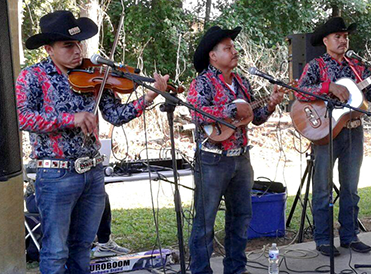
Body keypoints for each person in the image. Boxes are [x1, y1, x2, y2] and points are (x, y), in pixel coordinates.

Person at [16, 10, 168, 273]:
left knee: (83, 247)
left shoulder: (94, 74)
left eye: (78, 44)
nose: (77, 51)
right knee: (55, 251)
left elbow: (116, 116)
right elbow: (23, 118)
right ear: (49, 49)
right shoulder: (32, 76)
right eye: (68, 46)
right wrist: (69, 118)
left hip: (93, 173)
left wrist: (147, 99)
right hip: (56, 175)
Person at [187, 26, 284, 274]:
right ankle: (200, 270)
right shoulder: (202, 82)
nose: (234, 51)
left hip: (241, 158)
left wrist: (271, 105)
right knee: (205, 221)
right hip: (212, 159)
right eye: (228, 48)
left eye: (233, 47)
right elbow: (197, 113)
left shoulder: (242, 82)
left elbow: (254, 117)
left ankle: (236, 268)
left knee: (241, 217)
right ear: (213, 55)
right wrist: (231, 110)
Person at [296, 17, 371, 256]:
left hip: (354, 130)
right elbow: (300, 90)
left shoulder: (357, 66)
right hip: (325, 132)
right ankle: (323, 240)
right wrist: (327, 87)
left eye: (345, 36)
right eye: (338, 36)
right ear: (326, 40)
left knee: (350, 188)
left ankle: (350, 236)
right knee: (322, 189)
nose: (343, 40)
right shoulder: (316, 65)